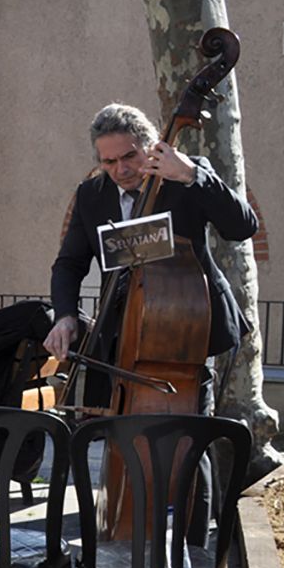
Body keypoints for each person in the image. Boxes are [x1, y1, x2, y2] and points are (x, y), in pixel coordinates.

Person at [45, 102, 258, 545]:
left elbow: (242, 226)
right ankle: (118, 546)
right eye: (108, 161)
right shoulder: (92, 195)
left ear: (150, 146)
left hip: (184, 332)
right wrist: (64, 314)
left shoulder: (183, 173)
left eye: (129, 157)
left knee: (188, 446)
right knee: (121, 439)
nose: (121, 170)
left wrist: (192, 175)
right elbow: (68, 265)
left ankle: (190, 558)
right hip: (124, 337)